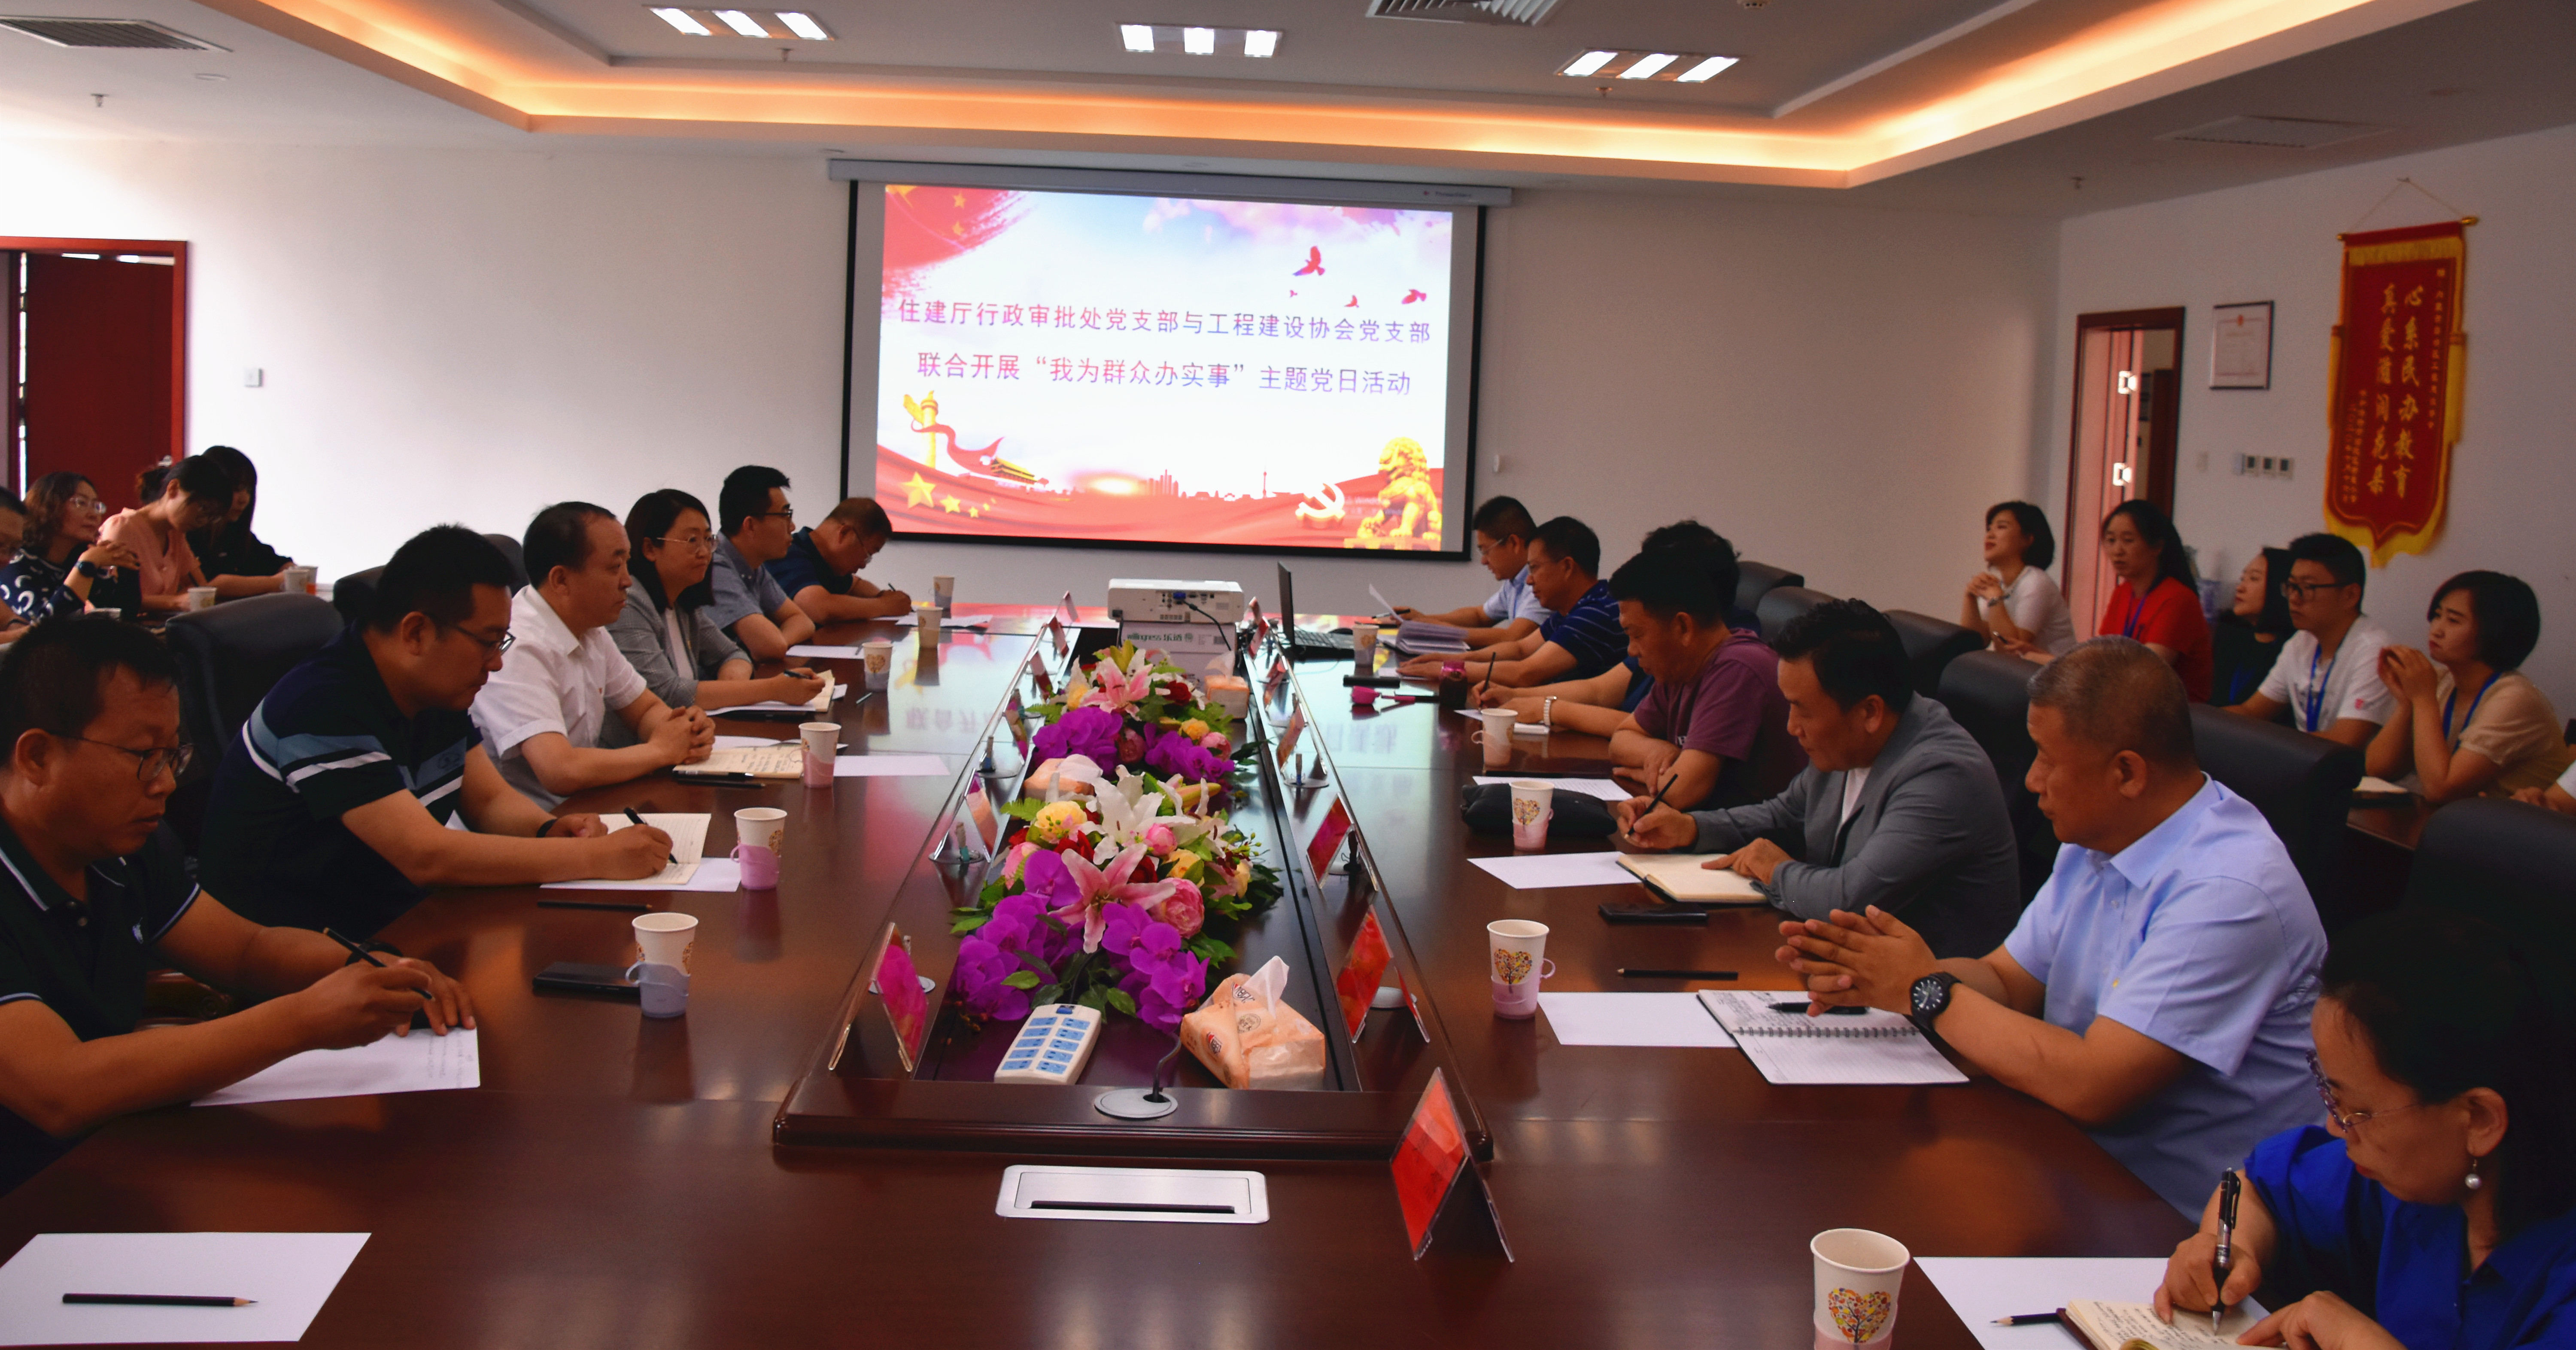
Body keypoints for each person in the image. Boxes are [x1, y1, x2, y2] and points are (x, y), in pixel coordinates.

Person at [1778, 637, 2326, 1213]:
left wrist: (1925, 990)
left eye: (2046, 758)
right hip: (2069, 1159)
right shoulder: (2098, 840)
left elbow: (2095, 1084)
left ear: (2127, 773)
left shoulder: (2229, 890)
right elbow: (2008, 981)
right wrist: (1876, 970)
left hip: (2176, 1217)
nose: (2033, 781)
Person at [0, 617, 474, 1195]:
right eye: (143, 755)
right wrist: (302, 1021)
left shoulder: (117, 847)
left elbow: (249, 950)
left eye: (172, 756)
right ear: (37, 757)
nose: (165, 784)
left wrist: (368, 967)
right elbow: (59, 1089)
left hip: (118, 1157)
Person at [199, 527, 676, 939]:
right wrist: (594, 859)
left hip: (396, 919)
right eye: (488, 642)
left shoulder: (434, 686)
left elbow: (488, 801)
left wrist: (549, 830)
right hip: (306, 951)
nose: (497, 663)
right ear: (416, 633)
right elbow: (426, 855)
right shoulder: (322, 705)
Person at [2155, 909, 2576, 1350]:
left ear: (2480, 1120)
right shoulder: (2418, 1186)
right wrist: (2226, 1251)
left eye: (2358, 1111)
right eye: (2333, 1099)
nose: (2336, 1129)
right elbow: (2258, 1190)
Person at [1616, 598, 2018, 958]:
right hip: (1843, 967)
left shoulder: (1943, 776)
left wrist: (1776, 871)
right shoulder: (1852, 744)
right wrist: (1689, 828)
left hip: (1929, 1001)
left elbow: (1850, 901)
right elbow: (1783, 814)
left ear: (1869, 712)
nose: (1792, 727)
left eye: (1802, 710)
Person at [471, 503, 715, 809]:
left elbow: (644, 710)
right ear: (561, 580)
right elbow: (560, 770)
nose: (627, 581)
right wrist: (661, 751)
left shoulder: (590, 628)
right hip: (537, 822)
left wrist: (685, 730)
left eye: (627, 564)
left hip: (587, 807)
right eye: (615, 567)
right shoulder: (521, 647)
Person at [1603, 544, 1802, 810]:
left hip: (1760, 832)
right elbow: (1621, 739)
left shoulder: (1738, 669)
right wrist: (1656, 751)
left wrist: (1643, 774)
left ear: (1683, 627)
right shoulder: (1680, 667)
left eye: (1637, 635)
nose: (1631, 650)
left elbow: (1682, 792)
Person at [611, 490, 829, 714]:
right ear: (650, 549)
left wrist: (734, 691)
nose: (705, 552)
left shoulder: (684, 605)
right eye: (692, 540)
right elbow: (667, 693)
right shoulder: (629, 604)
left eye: (708, 540)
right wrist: (773, 690)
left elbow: (732, 654)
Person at [2368, 571, 2570, 803]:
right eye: (2438, 616)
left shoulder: (2516, 698)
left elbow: (2441, 790)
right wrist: (2407, 703)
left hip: (2505, 825)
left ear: (2494, 632)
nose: (2437, 629)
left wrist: (2423, 699)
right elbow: (2377, 769)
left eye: (2453, 621)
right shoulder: (2442, 681)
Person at [1395, 516, 1623, 686]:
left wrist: (1449, 669)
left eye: (1535, 568)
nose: (1530, 580)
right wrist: (1453, 659)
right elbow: (1521, 649)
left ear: (1567, 567)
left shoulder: (1594, 613)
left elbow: (1525, 673)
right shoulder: (1573, 609)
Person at [2229, 533, 2393, 748]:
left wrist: (2272, 743)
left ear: (2350, 596)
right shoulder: (2301, 642)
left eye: (2308, 588)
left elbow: (2346, 741)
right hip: (2305, 760)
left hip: (2351, 768)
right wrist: (2199, 721)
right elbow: (2251, 711)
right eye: (2291, 586)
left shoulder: (2374, 652)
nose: (2294, 599)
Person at [2088, 499, 2212, 702]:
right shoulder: (2123, 592)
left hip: (2174, 711)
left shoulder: (2178, 599)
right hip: (2126, 701)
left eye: (2128, 540)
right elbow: (2101, 655)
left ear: (2157, 547)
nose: (2117, 551)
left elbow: (2146, 671)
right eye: (2111, 540)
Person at [1393, 496, 1549, 647]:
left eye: (1486, 551)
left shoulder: (1541, 584)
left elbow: (1513, 638)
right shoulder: (1515, 581)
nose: (1484, 561)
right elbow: (1480, 616)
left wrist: (1435, 628)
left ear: (1513, 543)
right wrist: (1421, 619)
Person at [710, 466, 818, 661]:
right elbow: (769, 647)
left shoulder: (753, 565)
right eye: (785, 515)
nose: (792, 526)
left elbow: (802, 621)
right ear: (750, 525)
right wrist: (776, 644)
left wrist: (780, 641)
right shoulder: (715, 568)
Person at [1, 473, 140, 623]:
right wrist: (86, 566)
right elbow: (42, 627)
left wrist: (126, 566)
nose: (94, 515)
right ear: (48, 507)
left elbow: (121, 615)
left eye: (96, 506)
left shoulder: (78, 556)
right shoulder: (15, 559)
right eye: (81, 503)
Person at [100, 457, 231, 613]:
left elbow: (199, 586)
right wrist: (174, 603)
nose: (203, 521)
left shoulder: (176, 534)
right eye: (203, 508)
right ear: (174, 489)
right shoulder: (122, 528)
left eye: (211, 516)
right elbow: (111, 599)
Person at [766, 497, 911, 622]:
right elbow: (818, 608)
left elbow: (856, 585)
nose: (863, 565)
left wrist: (884, 597)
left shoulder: (827, 562)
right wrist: (885, 606)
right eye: (868, 555)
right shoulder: (787, 552)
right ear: (844, 533)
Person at [1962, 500, 2075, 659]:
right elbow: (1972, 644)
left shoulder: (2036, 582)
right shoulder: (2000, 586)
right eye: (1989, 529)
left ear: (2028, 539)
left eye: (2001, 527)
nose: (1990, 535)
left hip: (2056, 673)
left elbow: (2012, 651)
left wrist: (1995, 599)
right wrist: (1970, 597)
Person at [185, 445, 295, 596]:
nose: (245, 500)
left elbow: (278, 564)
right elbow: (210, 585)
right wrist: (277, 582)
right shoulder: (189, 534)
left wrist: (291, 572)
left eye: (248, 491)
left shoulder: (234, 532)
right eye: (236, 489)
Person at [2212, 547, 2295, 708]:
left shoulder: (2292, 649)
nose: (2240, 588)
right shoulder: (2228, 636)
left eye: (2254, 579)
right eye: (2242, 579)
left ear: (2281, 589)